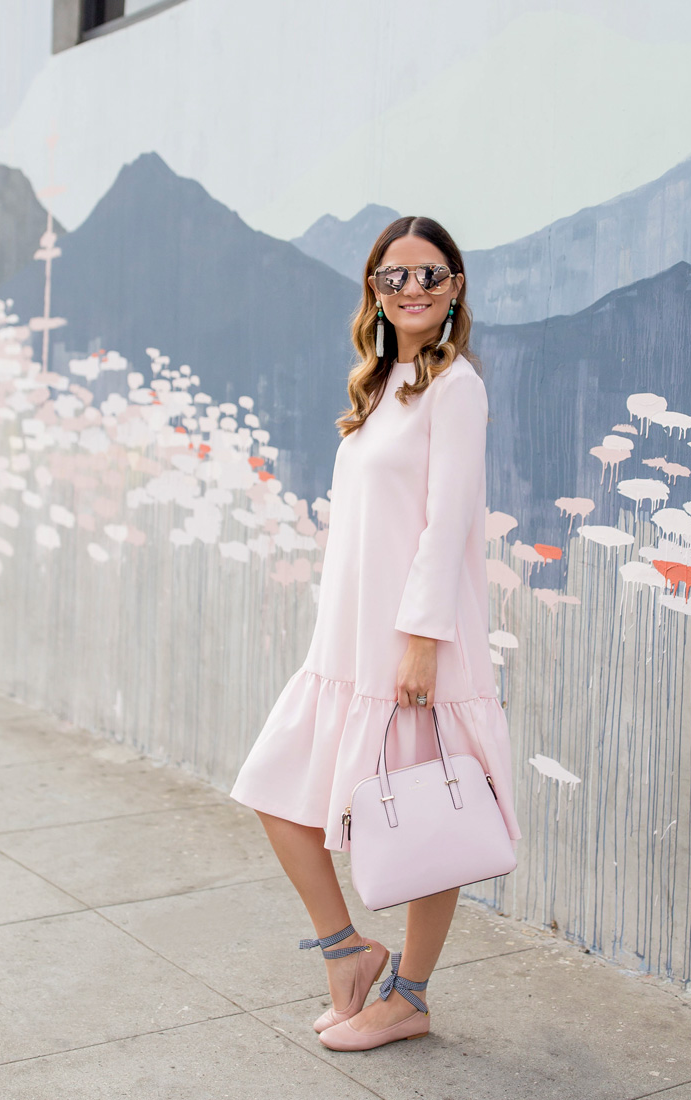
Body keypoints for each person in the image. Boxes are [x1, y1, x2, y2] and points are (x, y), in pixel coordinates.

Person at [230, 214, 519, 1051]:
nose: (414, 289)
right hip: (349, 644)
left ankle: (411, 996)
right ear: (375, 289)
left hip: (412, 641)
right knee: (274, 791)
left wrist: (423, 639)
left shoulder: (457, 387)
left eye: (431, 275)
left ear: (455, 288)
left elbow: (447, 517)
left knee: (434, 817)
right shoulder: (382, 381)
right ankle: (348, 951)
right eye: (396, 276)